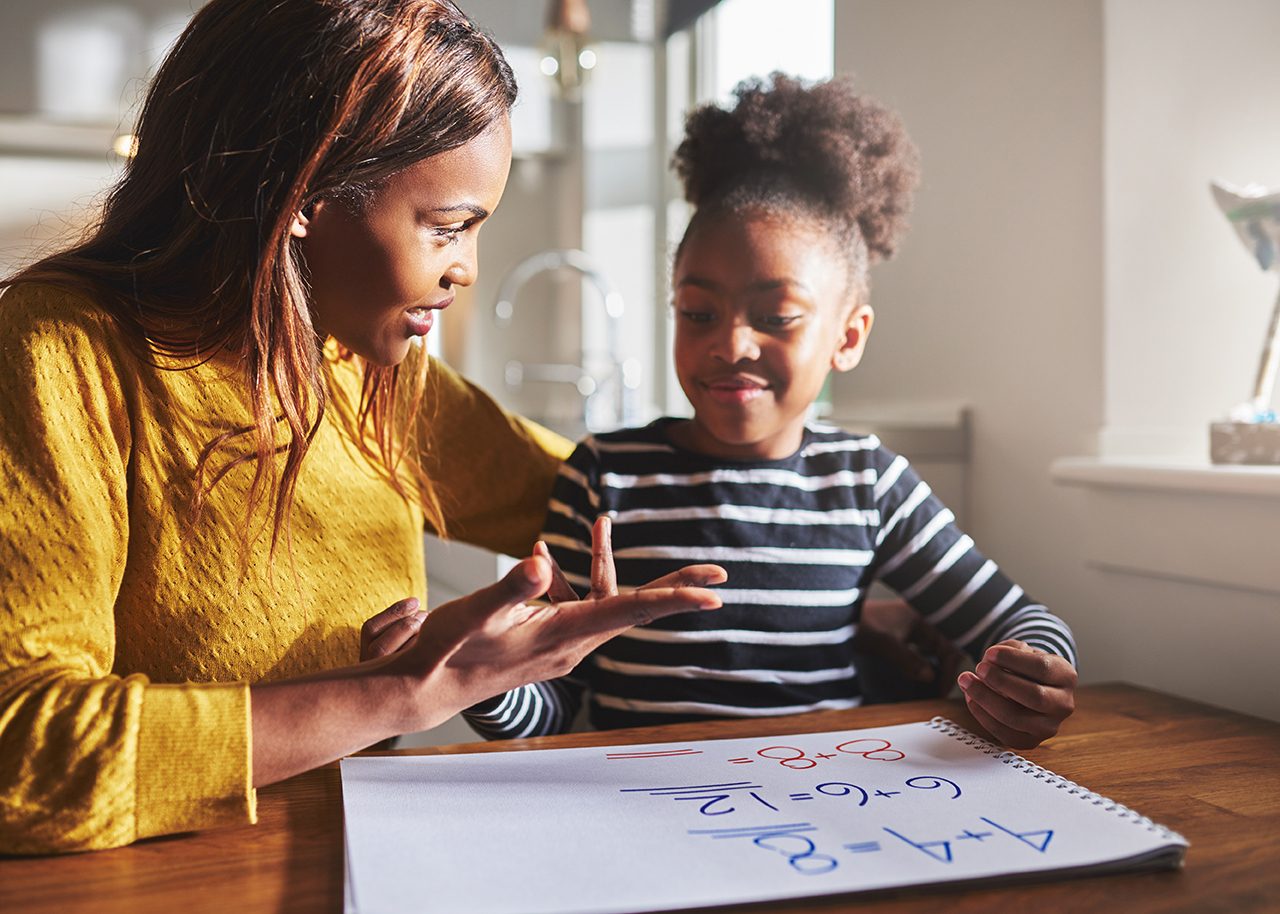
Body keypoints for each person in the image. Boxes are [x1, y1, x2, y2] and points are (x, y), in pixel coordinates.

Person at [0, 0, 727, 855]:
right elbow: (24, 754)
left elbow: (622, 504)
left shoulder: (363, 367)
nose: (466, 270)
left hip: (353, 862)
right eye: (447, 226)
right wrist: (404, 690)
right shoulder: (61, 348)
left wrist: (877, 595)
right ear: (303, 191)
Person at [464, 74, 1079, 749]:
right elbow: (552, 702)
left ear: (847, 337)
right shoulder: (604, 475)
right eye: (698, 312)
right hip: (638, 809)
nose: (729, 344)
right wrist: (484, 681)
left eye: (775, 317)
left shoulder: (865, 485)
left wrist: (1032, 675)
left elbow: (1019, 620)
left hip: (821, 802)